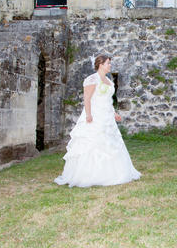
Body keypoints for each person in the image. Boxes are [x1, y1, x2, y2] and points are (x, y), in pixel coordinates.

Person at [54, 55, 141, 188]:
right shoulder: (92, 79)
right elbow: (87, 98)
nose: (110, 65)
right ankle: (89, 174)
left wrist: (114, 112)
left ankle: (111, 173)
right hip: (95, 115)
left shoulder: (108, 80)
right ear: (100, 64)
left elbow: (107, 99)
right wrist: (88, 114)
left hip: (107, 115)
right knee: (92, 141)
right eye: (108, 63)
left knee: (110, 142)